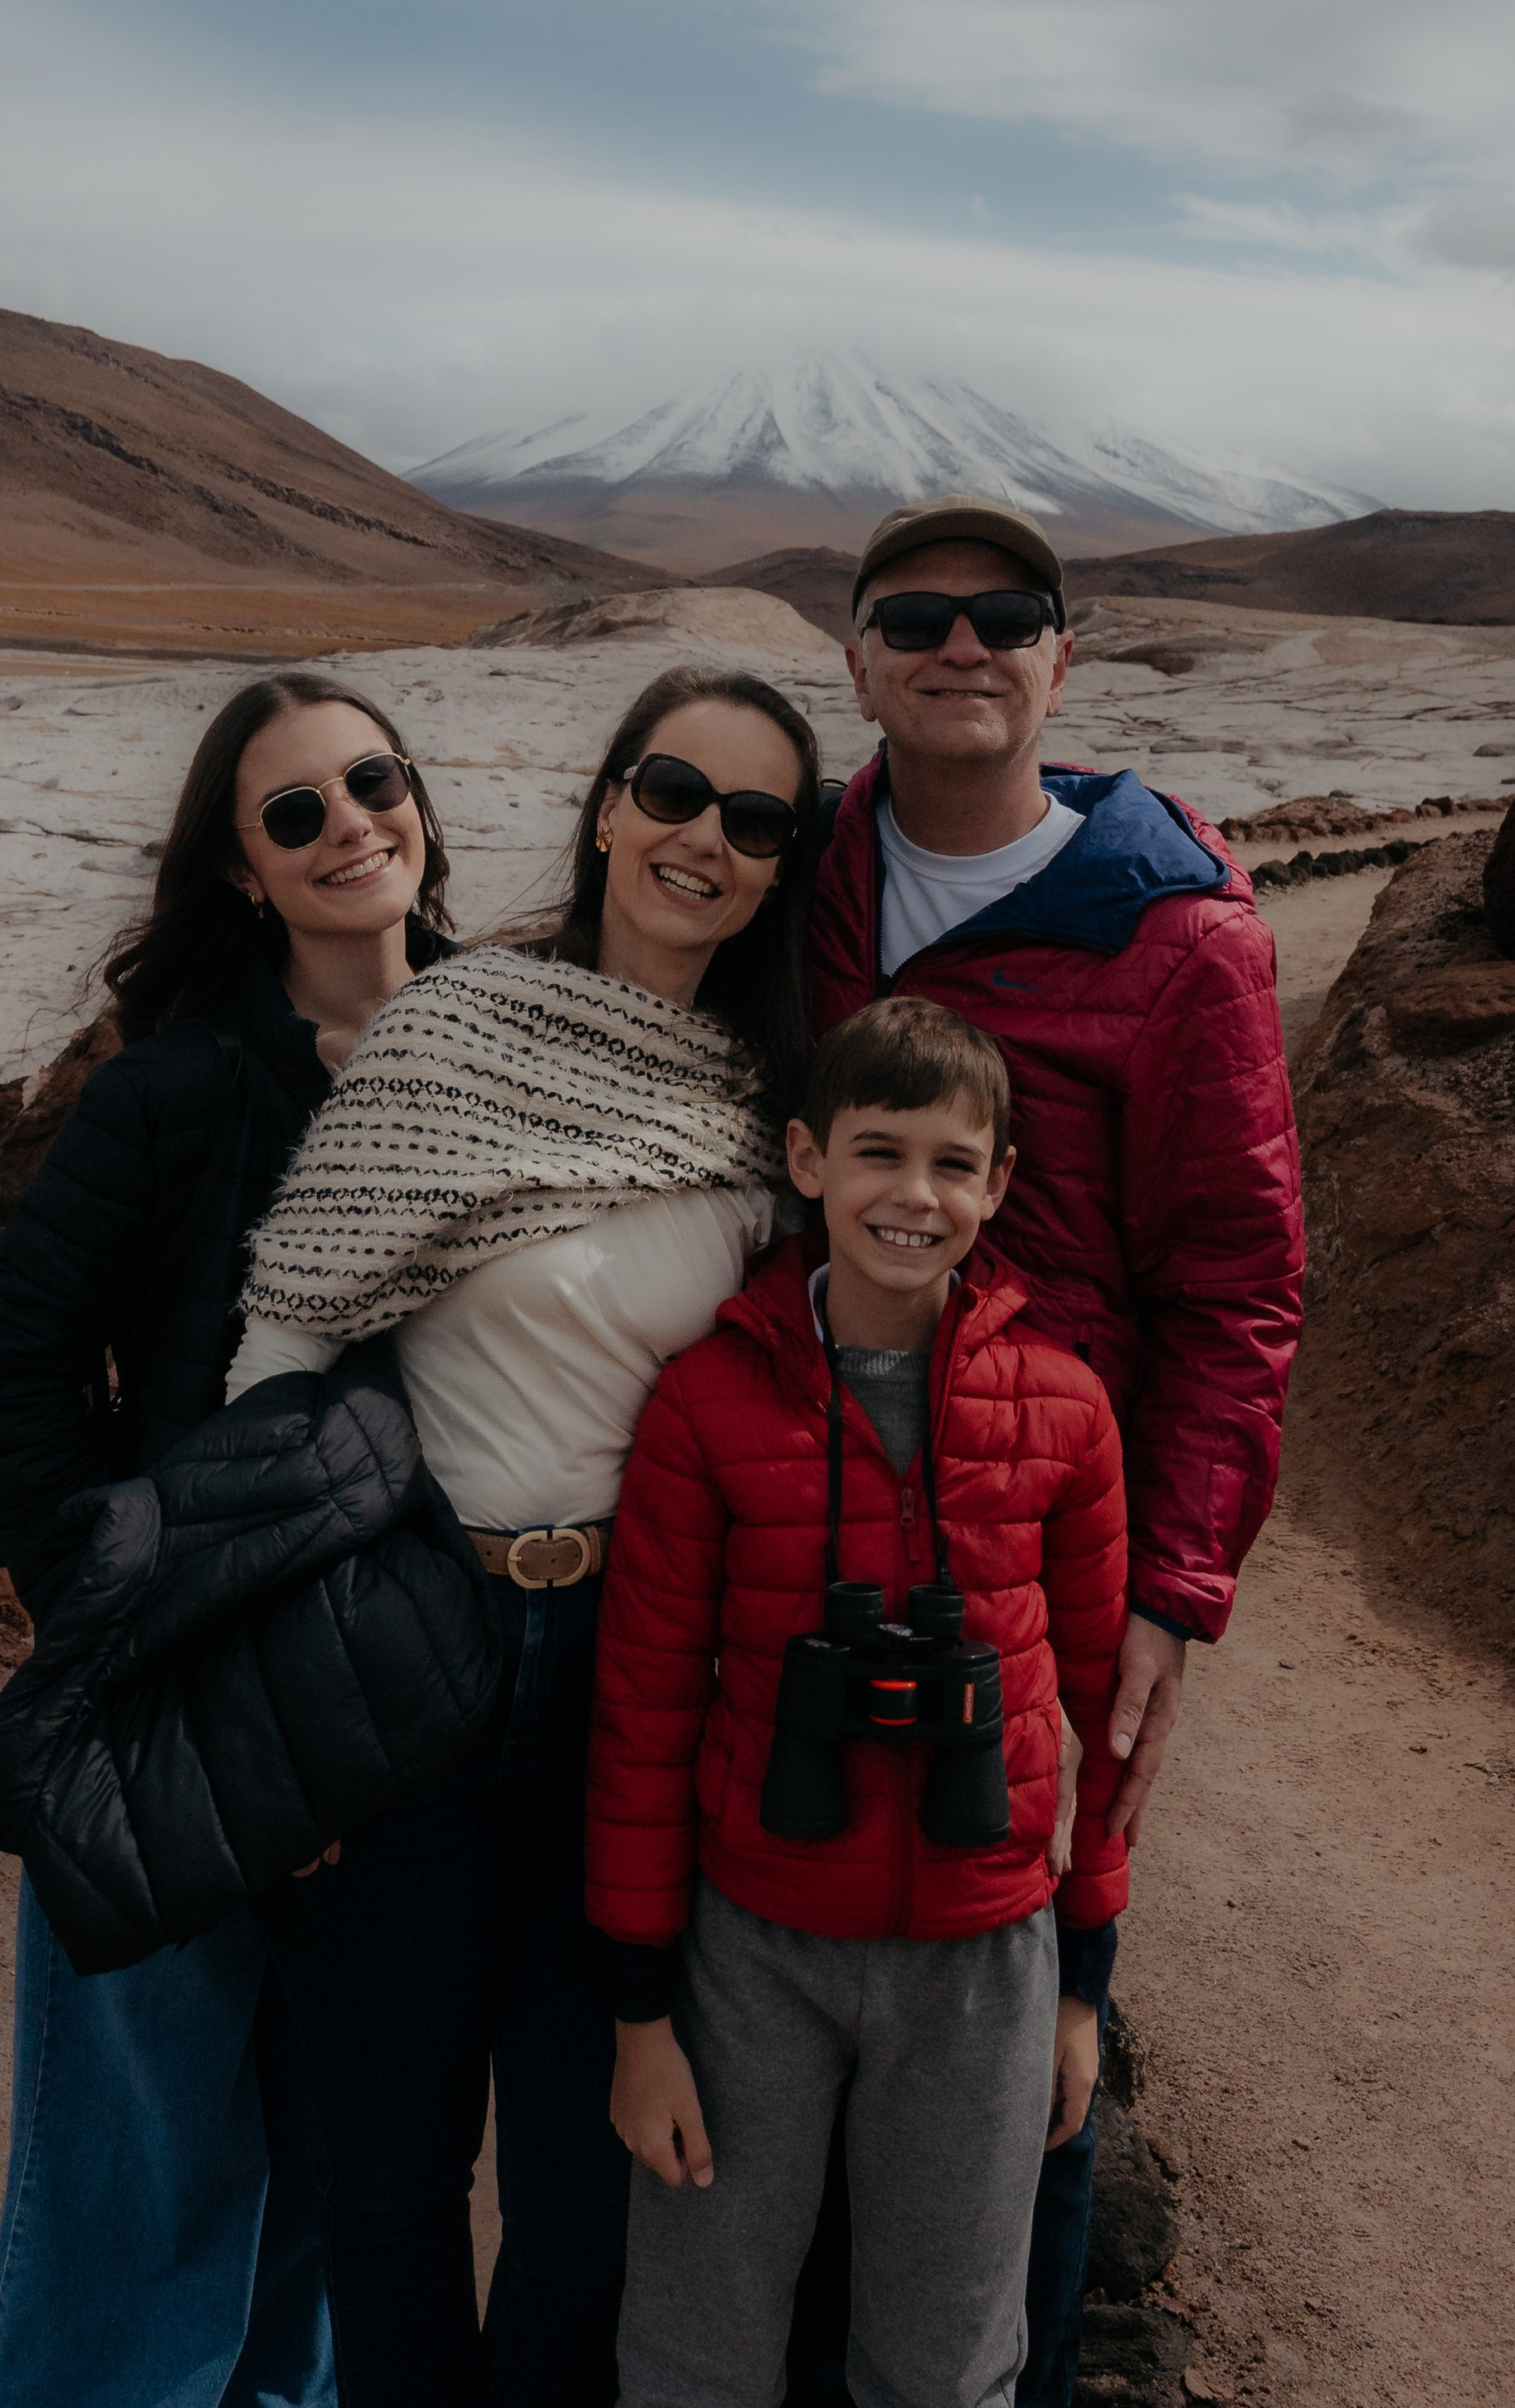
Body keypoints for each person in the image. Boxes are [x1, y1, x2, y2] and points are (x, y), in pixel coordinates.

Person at [221, 665, 824, 2408]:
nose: (704, 839)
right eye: (673, 790)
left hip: (634, 1682)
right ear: (608, 805)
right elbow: (277, 1354)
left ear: (781, 866)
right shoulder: (450, 1028)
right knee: (391, 2168)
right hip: (417, 1644)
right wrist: (283, 1677)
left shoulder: (765, 1106)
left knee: (584, 2181)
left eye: (755, 819)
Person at [798, 494, 1303, 2403]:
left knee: (1036, 1990)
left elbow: (1239, 1282)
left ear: (1060, 660)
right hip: (802, 1491)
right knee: (797, 1936)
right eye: (916, 614)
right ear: (856, 662)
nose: (962, 643)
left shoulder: (1175, 938)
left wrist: (1173, 1584)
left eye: (1005, 615)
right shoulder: (805, 868)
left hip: (1041, 1536)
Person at [0, 670, 459, 2408]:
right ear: (240, 868)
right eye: (294, 812)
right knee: (139, 2189)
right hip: (176, 1703)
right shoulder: (172, 1093)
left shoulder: (505, 1052)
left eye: (371, 781)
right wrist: (110, 1607)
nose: (349, 827)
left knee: (331, 2173)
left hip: (397, 1711)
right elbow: (10, 1358)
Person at [588, 997, 1128, 2408]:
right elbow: (643, 1718)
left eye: (954, 1163)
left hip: (984, 1956)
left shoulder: (1064, 1409)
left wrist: (1083, 1984)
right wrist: (641, 2016)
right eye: (879, 1150)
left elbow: (1111, 1726)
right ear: (806, 1158)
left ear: (1000, 1184)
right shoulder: (707, 1404)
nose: (915, 1194)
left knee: (947, 2363)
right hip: (750, 1949)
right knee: (696, 2345)